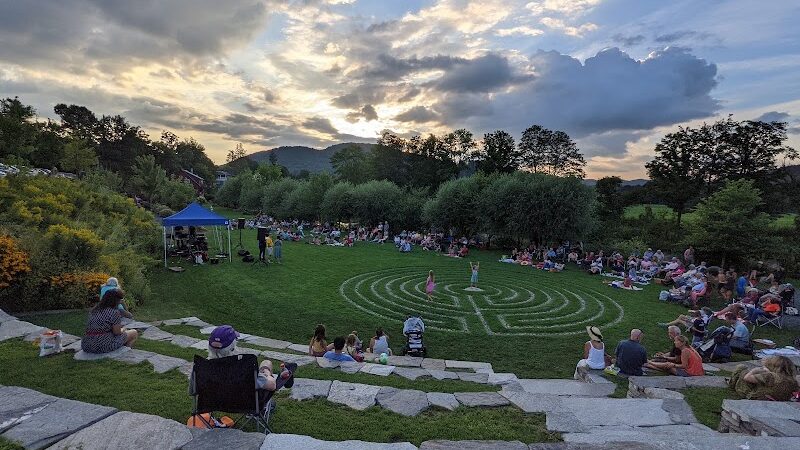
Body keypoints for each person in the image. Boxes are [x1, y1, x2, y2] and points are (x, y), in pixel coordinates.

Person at [81, 288, 138, 354]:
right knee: (134, 333)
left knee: (119, 334)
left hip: (86, 345)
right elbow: (117, 332)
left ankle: (120, 348)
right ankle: (125, 352)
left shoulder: (94, 310)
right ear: (116, 300)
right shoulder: (114, 312)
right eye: (120, 299)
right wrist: (123, 329)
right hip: (101, 345)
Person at [728, 356, 799, 401]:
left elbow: (747, 378)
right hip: (775, 399)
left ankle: (732, 384)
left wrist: (754, 370)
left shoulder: (771, 376)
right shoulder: (793, 381)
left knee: (741, 368)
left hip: (755, 397)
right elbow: (797, 395)